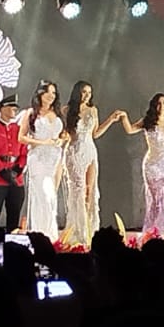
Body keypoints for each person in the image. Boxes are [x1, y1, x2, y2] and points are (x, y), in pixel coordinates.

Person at [62, 81, 120, 246]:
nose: (87, 95)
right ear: (77, 92)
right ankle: (77, 230)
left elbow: (95, 133)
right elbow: (65, 133)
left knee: (90, 190)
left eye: (89, 92)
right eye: (84, 92)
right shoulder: (66, 110)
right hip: (74, 151)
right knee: (78, 191)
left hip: (90, 151)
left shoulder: (93, 110)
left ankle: (88, 230)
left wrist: (110, 120)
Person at [118, 93, 164, 239]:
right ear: (154, 106)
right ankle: (155, 233)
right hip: (153, 166)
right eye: (159, 103)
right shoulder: (147, 122)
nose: (162, 106)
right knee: (156, 201)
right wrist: (124, 117)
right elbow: (130, 129)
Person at [19, 79, 66, 240]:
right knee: (43, 196)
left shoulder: (57, 112)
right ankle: (40, 236)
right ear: (40, 93)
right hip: (38, 159)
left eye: (54, 93)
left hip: (55, 158)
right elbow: (21, 137)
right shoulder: (31, 113)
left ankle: (50, 236)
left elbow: (63, 134)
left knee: (52, 198)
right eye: (48, 92)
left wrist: (61, 140)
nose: (51, 96)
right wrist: (42, 142)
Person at [0, 93, 29, 230]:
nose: (14, 109)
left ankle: (12, 239)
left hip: (16, 178)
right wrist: (3, 172)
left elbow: (24, 154)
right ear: (2, 108)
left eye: (15, 107)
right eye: (11, 106)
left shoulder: (18, 130)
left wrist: (17, 170)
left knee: (14, 214)